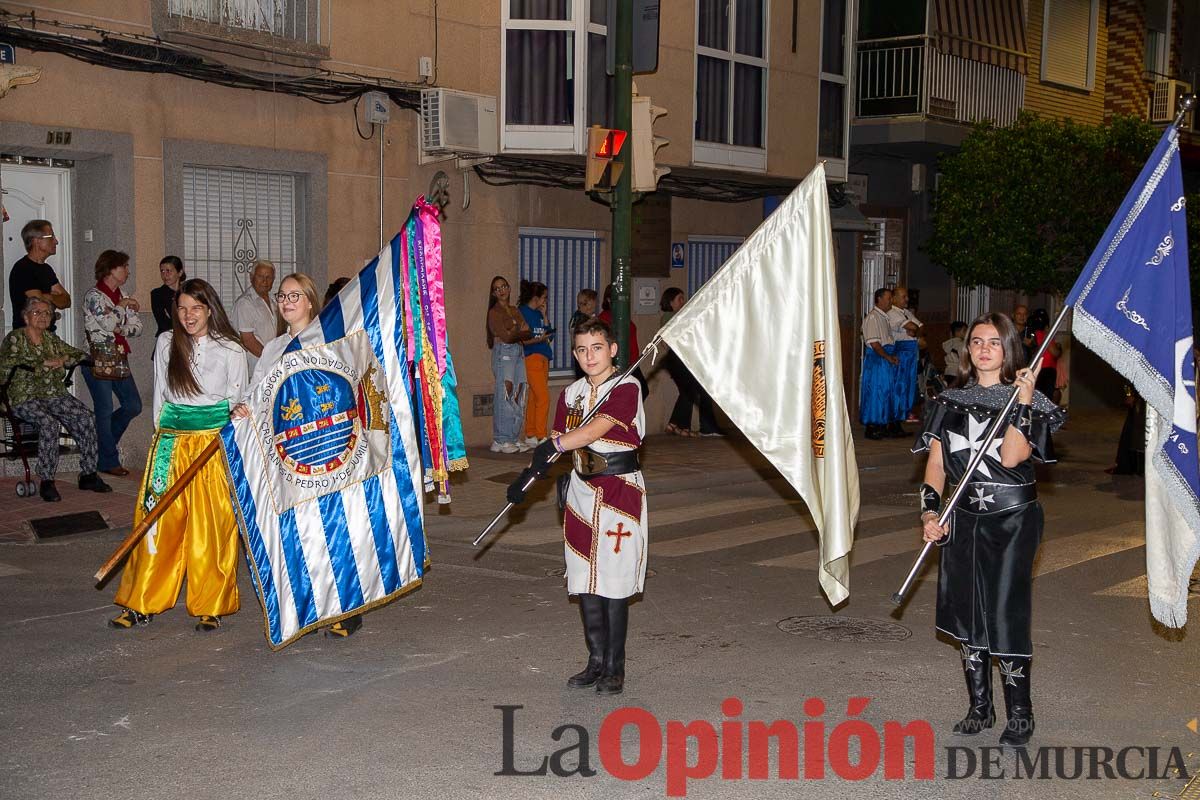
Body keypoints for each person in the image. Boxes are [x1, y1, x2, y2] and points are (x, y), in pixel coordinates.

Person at [913, 311, 1065, 747]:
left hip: (1013, 521)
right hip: (962, 517)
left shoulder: (1031, 402)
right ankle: (980, 707)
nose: (983, 348)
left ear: (1009, 349)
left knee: (1003, 608)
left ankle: (1021, 712)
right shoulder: (947, 402)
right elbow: (937, 466)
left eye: (994, 342)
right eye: (977, 341)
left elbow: (1015, 456)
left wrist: (1023, 400)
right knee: (967, 608)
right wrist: (929, 515)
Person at [506, 318, 647, 695]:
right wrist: (529, 475)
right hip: (582, 491)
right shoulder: (570, 394)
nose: (590, 356)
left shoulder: (627, 387)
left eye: (597, 348)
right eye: (582, 349)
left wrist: (554, 446)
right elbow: (559, 440)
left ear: (613, 349)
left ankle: (615, 668)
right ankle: (595, 661)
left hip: (619, 493)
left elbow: (595, 429)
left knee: (614, 581)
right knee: (585, 579)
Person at [110, 279, 248, 632]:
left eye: (196, 308)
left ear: (210, 309)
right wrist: (162, 438)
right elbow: (160, 397)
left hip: (212, 443)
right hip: (170, 442)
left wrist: (229, 433)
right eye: (182, 308)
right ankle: (142, 601)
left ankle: (211, 604)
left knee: (213, 524)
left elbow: (236, 400)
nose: (188, 315)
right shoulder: (166, 342)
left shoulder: (231, 348)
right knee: (157, 522)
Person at [231, 273, 364, 639]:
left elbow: (346, 390)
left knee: (333, 529)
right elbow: (257, 393)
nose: (287, 302)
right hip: (287, 455)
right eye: (282, 296)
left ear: (309, 302)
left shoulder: (329, 344)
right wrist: (243, 410)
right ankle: (311, 606)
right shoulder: (273, 348)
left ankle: (347, 609)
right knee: (300, 530)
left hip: (326, 451)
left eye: (295, 295)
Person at [0, 297, 112, 502]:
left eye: (47, 313)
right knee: (48, 423)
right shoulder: (15, 338)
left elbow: (75, 354)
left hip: (53, 393)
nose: (43, 316)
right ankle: (47, 480)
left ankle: (88, 474)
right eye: (37, 312)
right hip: (23, 395)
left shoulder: (52, 339)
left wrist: (64, 360)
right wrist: (47, 362)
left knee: (85, 416)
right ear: (26, 316)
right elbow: (15, 362)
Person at [81, 250, 144, 477]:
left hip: (118, 357)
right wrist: (121, 306)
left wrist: (122, 327)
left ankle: (100, 448)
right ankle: (107, 459)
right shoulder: (94, 296)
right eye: (124, 266)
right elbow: (108, 323)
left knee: (133, 405)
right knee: (104, 409)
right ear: (110, 269)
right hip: (96, 359)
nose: (127, 271)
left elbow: (137, 327)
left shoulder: (122, 294)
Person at [659, 287, 723, 437]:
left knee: (689, 392)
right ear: (671, 302)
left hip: (681, 359)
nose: (683, 301)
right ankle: (680, 424)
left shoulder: (677, 316)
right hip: (678, 359)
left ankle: (680, 426)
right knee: (691, 390)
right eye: (679, 299)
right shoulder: (670, 316)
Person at [487, 275, 532, 454]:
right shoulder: (494, 312)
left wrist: (515, 330)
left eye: (504, 286)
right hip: (504, 352)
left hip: (518, 351)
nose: (502, 290)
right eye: (498, 288)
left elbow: (527, 331)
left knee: (520, 391)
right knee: (505, 391)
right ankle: (500, 439)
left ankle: (513, 437)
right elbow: (506, 336)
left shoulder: (514, 309)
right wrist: (517, 329)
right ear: (493, 293)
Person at [9, 219, 70, 332]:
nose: (56, 241)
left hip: (47, 336)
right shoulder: (23, 269)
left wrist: (49, 297)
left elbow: (66, 300)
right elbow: (40, 303)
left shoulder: (47, 269)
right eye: (51, 237)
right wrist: (52, 298)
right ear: (36, 241)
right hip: (28, 338)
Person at [860, 288, 899, 440]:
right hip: (877, 360)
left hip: (884, 358)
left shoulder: (884, 317)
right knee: (875, 393)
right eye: (889, 298)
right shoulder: (873, 318)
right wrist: (887, 357)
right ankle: (872, 426)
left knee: (885, 393)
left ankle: (881, 424)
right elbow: (875, 343)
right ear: (879, 299)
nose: (891, 301)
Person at [518, 280, 554, 447]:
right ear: (535, 297)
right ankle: (540, 436)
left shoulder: (539, 314)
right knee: (543, 397)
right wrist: (538, 339)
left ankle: (531, 433)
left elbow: (549, 336)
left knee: (535, 397)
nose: (545, 301)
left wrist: (545, 316)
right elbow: (523, 340)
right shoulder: (523, 312)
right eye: (544, 297)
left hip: (544, 357)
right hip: (532, 358)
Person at [597, 284, 648, 400]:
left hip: (631, 362)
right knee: (635, 392)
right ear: (609, 300)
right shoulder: (605, 318)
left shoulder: (620, 315)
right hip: (620, 363)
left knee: (640, 391)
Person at [234, 259, 281, 372]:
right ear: (251, 277)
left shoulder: (274, 301)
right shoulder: (245, 303)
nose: (265, 281)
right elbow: (248, 340)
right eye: (260, 276)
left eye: (269, 277)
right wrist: (270, 360)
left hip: (273, 366)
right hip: (256, 368)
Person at [888, 286, 923, 425]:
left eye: (907, 296)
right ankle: (895, 418)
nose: (907, 299)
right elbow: (913, 327)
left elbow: (920, 326)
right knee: (899, 386)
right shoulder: (892, 313)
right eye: (903, 296)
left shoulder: (906, 312)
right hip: (901, 352)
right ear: (894, 298)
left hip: (911, 353)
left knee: (908, 386)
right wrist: (915, 329)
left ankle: (903, 415)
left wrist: (915, 331)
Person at [1028, 308, 1063, 403]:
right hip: (1046, 370)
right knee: (1046, 397)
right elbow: (1055, 352)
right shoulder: (1045, 335)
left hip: (1035, 369)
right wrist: (1059, 349)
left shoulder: (1031, 334)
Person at [151, 256, 185, 337]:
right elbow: (162, 322)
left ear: (180, 272)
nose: (165, 275)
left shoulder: (188, 292)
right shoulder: (157, 294)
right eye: (162, 271)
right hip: (168, 336)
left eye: (168, 271)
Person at [569, 289, 597, 380]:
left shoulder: (576, 317)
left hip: (579, 353)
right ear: (589, 304)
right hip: (585, 355)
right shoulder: (583, 319)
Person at [942, 321, 967, 389]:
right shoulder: (961, 344)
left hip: (948, 372)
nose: (966, 333)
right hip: (958, 373)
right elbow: (964, 359)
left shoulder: (946, 344)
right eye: (964, 330)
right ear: (958, 331)